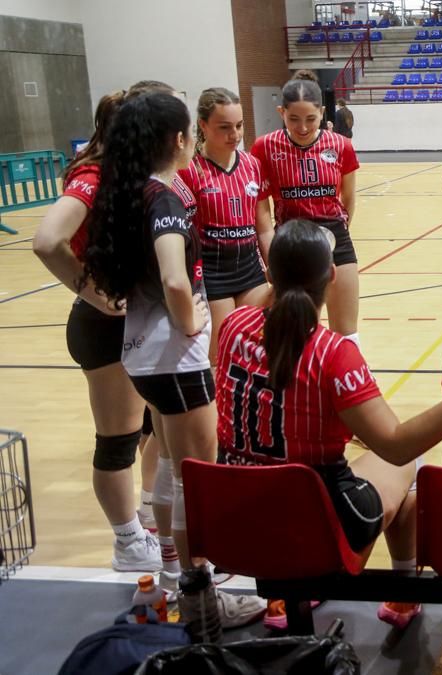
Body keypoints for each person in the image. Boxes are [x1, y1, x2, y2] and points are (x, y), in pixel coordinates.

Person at [216, 220, 442, 631]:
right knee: (406, 467)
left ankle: (289, 597)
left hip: (233, 523)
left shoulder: (232, 327)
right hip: (308, 532)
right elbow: (396, 445)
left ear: (271, 273)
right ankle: (403, 593)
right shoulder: (331, 353)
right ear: (333, 276)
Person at [80, 91, 266, 633]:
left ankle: (170, 570)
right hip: (174, 356)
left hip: (141, 354)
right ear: (180, 139)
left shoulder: (129, 192)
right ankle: (202, 591)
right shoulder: (165, 199)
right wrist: (191, 323)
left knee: (166, 464)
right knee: (194, 477)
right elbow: (174, 277)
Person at [33, 88, 165, 575]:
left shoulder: (134, 173)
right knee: (118, 439)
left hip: (140, 319)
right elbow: (48, 241)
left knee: (157, 426)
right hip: (106, 328)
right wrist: (94, 293)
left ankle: (149, 519)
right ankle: (128, 542)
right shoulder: (93, 175)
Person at [251, 73, 361, 341]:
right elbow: (261, 209)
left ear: (323, 112)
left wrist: (340, 229)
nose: (302, 127)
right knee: (300, 332)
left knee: (347, 333)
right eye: (294, 119)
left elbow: (349, 197)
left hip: (335, 237)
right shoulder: (265, 147)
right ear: (281, 112)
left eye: (311, 119)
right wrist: (271, 258)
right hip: (290, 241)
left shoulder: (341, 145)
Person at [179, 88, 272, 364]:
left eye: (239, 126)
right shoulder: (189, 170)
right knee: (219, 358)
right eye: (225, 127)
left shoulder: (253, 165)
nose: (235, 134)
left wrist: (276, 268)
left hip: (250, 270)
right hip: (211, 274)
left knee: (255, 350)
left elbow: (264, 228)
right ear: (203, 126)